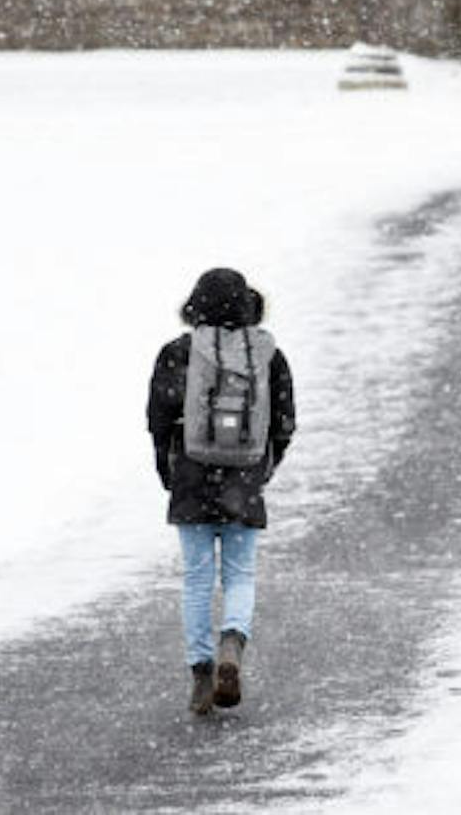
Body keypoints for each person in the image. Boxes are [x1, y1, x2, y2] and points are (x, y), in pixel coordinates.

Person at [146, 267, 296, 716]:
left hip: (191, 477)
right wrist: (262, 468)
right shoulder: (268, 356)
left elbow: (158, 419)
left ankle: (201, 674)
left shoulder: (178, 353)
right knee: (240, 574)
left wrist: (168, 472)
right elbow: (284, 421)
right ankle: (232, 642)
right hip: (244, 478)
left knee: (196, 579)